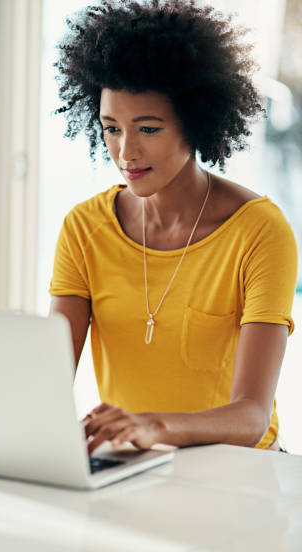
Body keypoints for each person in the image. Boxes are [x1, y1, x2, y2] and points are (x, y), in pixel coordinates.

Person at [48, 0, 298, 455]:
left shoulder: (259, 231)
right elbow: (45, 383)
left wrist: (154, 426)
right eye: (111, 128)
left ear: (195, 121)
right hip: (137, 465)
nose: (125, 152)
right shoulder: (84, 228)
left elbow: (251, 415)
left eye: (147, 129)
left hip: (243, 472)